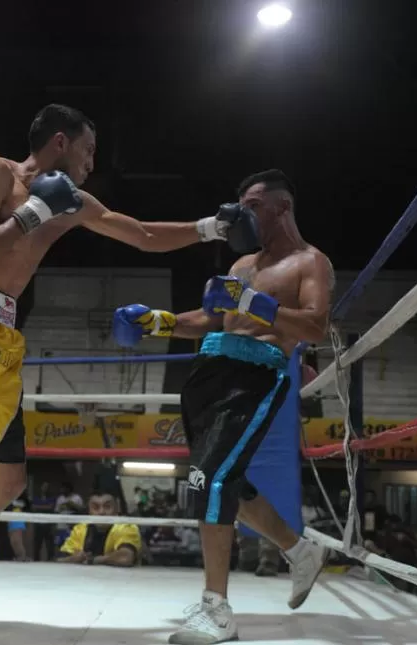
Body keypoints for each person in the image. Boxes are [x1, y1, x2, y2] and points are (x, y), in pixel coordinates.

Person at [0, 103, 259, 645]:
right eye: (88, 149)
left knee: (7, 479)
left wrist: (211, 227)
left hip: (1, 335)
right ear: (60, 142)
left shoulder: (75, 202)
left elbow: (144, 235)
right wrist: (32, 213)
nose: (92, 161)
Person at [113, 169, 334, 644]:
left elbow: (316, 327)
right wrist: (157, 321)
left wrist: (255, 303)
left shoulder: (309, 262)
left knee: (209, 480)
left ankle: (217, 611)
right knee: (226, 481)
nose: (240, 214)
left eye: (252, 204)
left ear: (282, 207)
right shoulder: (241, 267)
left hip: (255, 376)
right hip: (208, 373)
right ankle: (300, 552)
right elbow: (211, 319)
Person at [57, 491, 142, 567]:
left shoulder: (126, 526)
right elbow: (59, 559)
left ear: (117, 509)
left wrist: (95, 560)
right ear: (89, 511)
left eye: (107, 507)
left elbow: (125, 558)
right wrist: (75, 558)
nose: (101, 512)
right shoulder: (80, 529)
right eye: (95, 507)